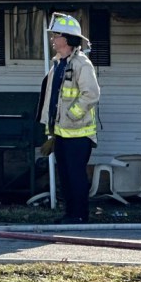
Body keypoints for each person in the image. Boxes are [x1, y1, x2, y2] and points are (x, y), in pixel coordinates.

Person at [38, 13, 100, 224]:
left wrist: (71, 115)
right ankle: (70, 214)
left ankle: (80, 215)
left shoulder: (82, 64)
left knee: (76, 176)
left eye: (56, 35)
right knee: (65, 176)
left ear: (67, 39)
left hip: (79, 135)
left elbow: (91, 94)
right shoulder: (58, 64)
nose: (53, 39)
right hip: (61, 134)